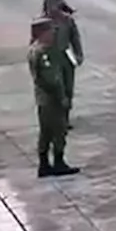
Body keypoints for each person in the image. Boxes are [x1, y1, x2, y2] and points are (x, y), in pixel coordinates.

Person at [29, 17, 80, 178]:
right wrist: (62, 96)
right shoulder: (43, 52)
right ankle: (57, 162)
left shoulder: (38, 49)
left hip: (44, 99)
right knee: (58, 130)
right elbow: (51, 80)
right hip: (51, 99)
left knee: (46, 132)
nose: (53, 33)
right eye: (50, 30)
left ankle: (45, 164)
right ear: (42, 33)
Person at [43, 0, 83, 131]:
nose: (55, 5)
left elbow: (75, 38)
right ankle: (53, 118)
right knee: (53, 91)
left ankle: (64, 118)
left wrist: (78, 55)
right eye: (53, 1)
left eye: (58, 0)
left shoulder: (67, 20)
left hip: (66, 57)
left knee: (68, 88)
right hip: (49, 59)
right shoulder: (41, 22)